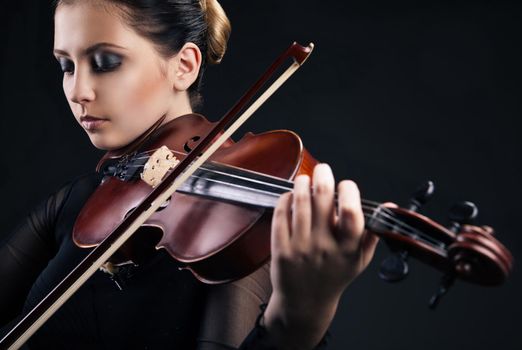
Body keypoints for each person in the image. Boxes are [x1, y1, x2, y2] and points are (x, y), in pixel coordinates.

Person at [0, 0, 379, 348]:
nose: (78, 90)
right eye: (67, 66)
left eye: (105, 62)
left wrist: (296, 322)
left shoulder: (226, 230)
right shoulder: (82, 199)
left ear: (184, 66)